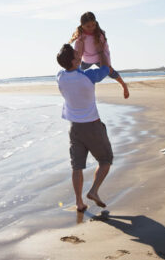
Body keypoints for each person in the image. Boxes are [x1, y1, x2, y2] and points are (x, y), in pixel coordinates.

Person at [56, 43, 114, 212]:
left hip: (74, 128)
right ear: (74, 61)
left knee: (77, 166)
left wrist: (71, 54)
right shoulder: (88, 76)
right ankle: (94, 191)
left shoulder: (60, 76)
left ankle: (79, 202)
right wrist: (101, 49)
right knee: (105, 160)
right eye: (76, 55)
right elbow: (106, 67)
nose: (80, 55)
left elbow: (66, 65)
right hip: (92, 126)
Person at [70, 11, 130, 99]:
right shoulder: (81, 36)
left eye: (93, 25)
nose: (91, 28)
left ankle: (123, 85)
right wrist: (75, 64)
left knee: (111, 71)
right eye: (88, 26)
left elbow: (105, 49)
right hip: (86, 59)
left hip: (99, 57)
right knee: (76, 72)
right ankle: (73, 89)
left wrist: (108, 64)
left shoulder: (99, 34)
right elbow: (78, 53)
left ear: (96, 23)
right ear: (82, 25)